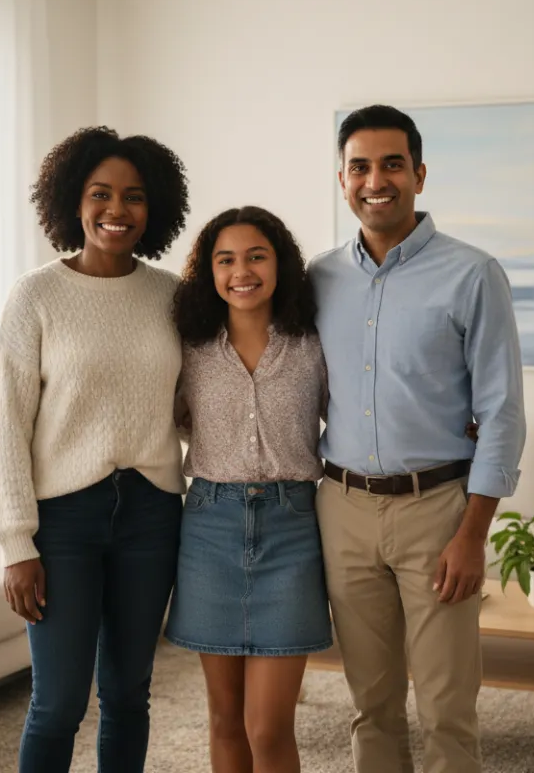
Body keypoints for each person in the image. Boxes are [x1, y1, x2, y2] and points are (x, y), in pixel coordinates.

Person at [308, 104, 527, 773]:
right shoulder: (317, 279)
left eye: (392, 165)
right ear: (342, 180)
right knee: (370, 705)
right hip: (342, 507)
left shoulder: (473, 274)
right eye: (360, 167)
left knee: (445, 709)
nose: (376, 181)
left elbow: (502, 412)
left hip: (437, 512)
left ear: (420, 175)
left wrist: (473, 534)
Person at [0, 125, 191, 773]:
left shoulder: (171, 296)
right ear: (73, 200)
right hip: (62, 522)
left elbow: (191, 406)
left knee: (128, 695)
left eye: (133, 196)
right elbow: (6, 424)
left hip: (152, 513)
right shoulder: (36, 295)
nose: (116, 209)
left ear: (154, 208)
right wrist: (16, 544)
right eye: (101, 193)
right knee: (58, 703)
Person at [165, 205, 333, 773]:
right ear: (208, 271)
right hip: (209, 528)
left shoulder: (311, 344)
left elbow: (356, 412)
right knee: (225, 719)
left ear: (279, 264)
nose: (242, 271)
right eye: (226, 259)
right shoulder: (188, 347)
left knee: (268, 727)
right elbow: (162, 414)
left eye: (256, 256)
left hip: (292, 530)